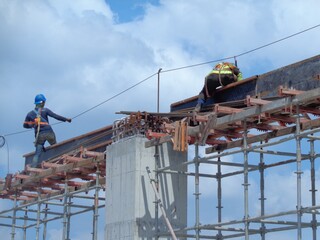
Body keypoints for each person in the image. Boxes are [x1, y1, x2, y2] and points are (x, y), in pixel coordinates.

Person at [23, 94, 72, 168]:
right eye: (44, 102)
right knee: (55, 147)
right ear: (42, 102)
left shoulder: (30, 114)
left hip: (40, 135)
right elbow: (55, 116)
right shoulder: (45, 110)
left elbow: (25, 125)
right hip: (49, 132)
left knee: (37, 154)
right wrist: (66, 119)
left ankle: (32, 170)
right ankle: (59, 163)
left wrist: (33, 124)